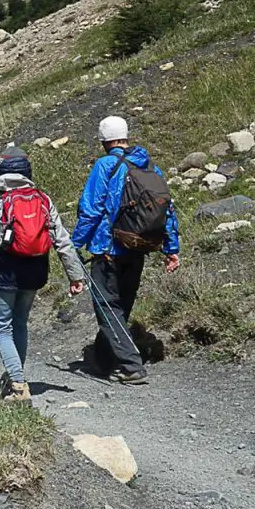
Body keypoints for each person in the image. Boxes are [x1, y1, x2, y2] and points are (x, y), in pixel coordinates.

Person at [72, 116, 180, 384]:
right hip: (138, 248)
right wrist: (171, 248)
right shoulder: (150, 166)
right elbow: (167, 209)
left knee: (107, 308)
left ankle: (132, 366)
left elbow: (91, 209)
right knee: (120, 307)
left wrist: (72, 244)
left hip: (109, 250)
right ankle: (105, 360)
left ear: (103, 140)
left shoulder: (106, 166)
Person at [0, 146, 86, 402]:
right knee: (20, 324)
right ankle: (15, 377)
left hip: (4, 273)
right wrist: (75, 276)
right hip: (35, 272)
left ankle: (18, 385)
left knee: (2, 329)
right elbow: (63, 241)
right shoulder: (43, 200)